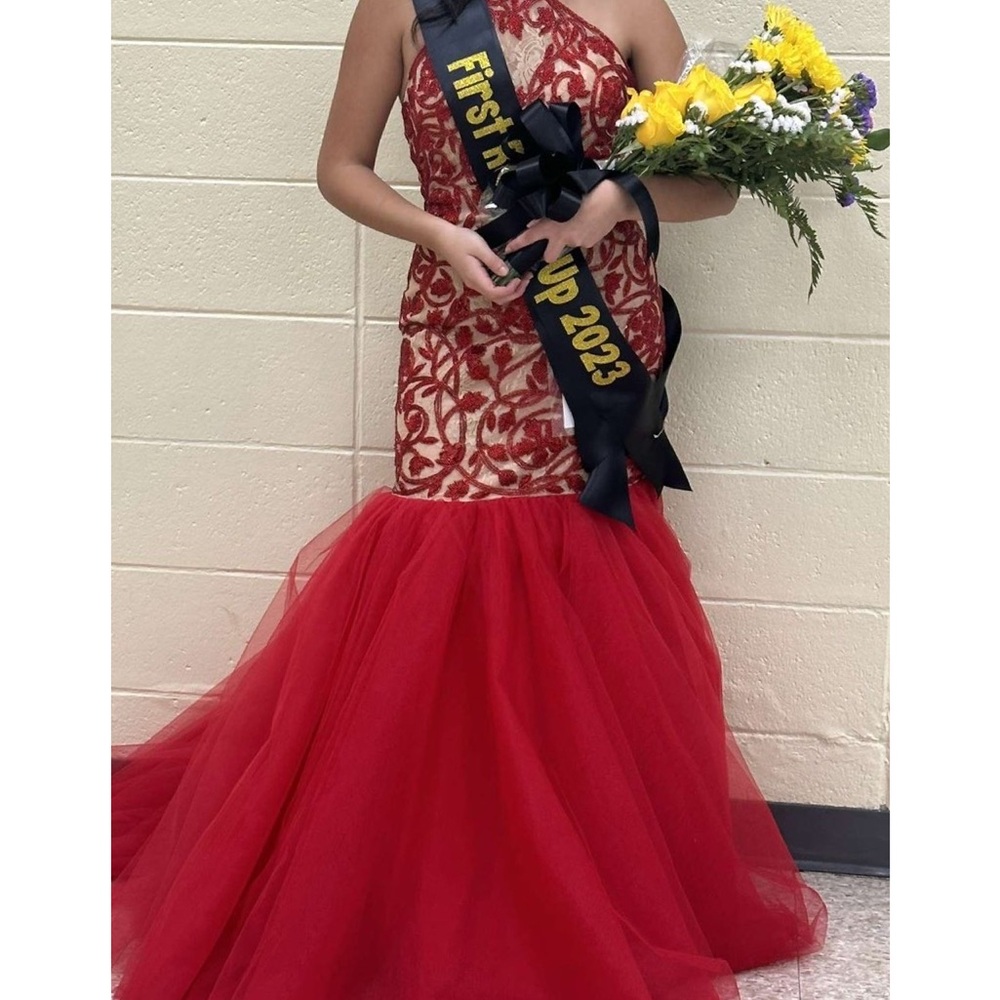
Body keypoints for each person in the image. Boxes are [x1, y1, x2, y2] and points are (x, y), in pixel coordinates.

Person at [111, 1, 827, 997]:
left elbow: (714, 185)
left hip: (591, 325)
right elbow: (341, 166)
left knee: (585, 566)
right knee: (445, 570)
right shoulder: (403, 9)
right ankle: (424, 872)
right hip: (460, 315)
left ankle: (586, 872)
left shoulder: (632, 7)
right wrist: (436, 232)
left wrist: (615, 201)